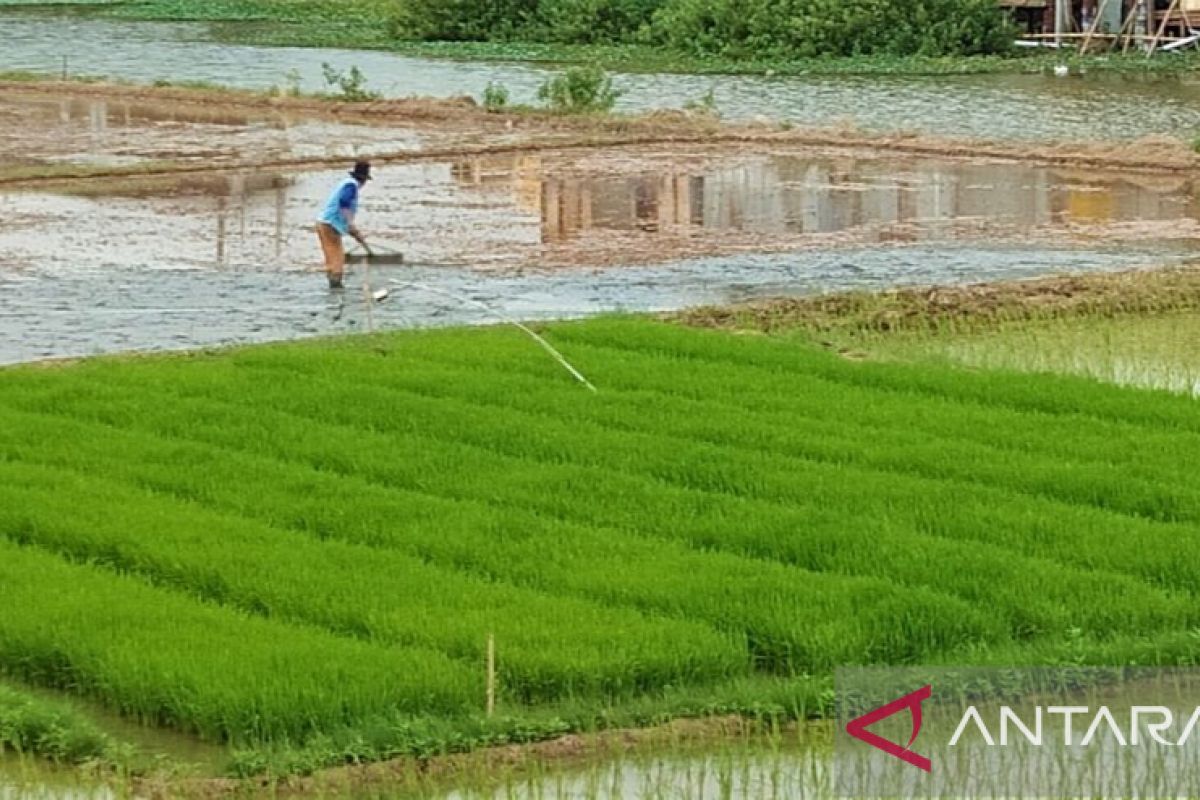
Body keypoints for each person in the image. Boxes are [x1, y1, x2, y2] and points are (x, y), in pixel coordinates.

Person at [316, 160, 372, 289]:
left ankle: (333, 285)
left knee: (331, 257)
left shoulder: (346, 183)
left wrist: (352, 230)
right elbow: (344, 203)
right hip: (330, 224)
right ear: (363, 179)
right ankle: (336, 289)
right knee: (337, 258)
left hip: (323, 222)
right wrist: (350, 224)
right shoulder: (351, 186)